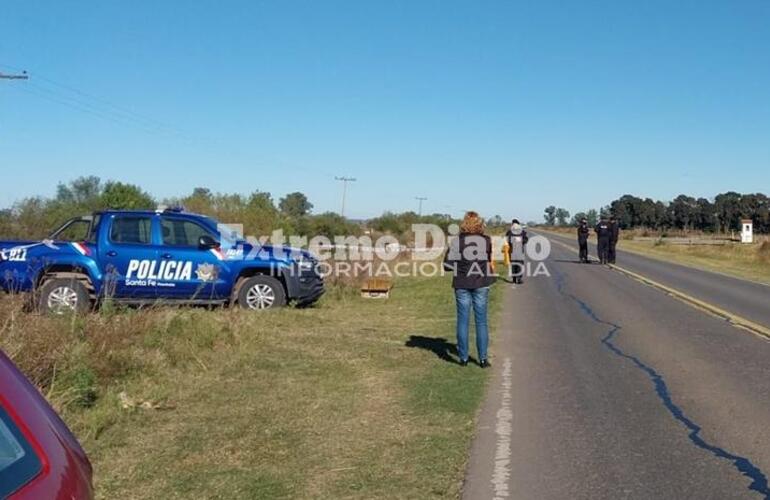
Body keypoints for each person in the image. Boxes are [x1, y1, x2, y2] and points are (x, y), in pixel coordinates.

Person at [443, 211, 496, 368]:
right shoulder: (486, 241)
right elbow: (488, 260)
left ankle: (463, 358)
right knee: (481, 321)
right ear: (480, 224)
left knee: (463, 320)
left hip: (461, 283)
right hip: (481, 282)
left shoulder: (457, 242)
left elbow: (447, 265)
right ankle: (483, 359)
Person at [504, 219, 528, 284]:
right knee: (519, 264)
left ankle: (514, 278)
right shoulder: (522, 231)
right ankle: (519, 278)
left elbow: (506, 240)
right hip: (519, 250)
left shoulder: (509, 231)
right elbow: (526, 240)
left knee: (514, 264)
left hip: (512, 251)